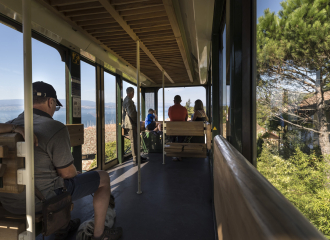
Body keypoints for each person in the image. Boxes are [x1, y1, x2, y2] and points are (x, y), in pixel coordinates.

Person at [0, 82, 122, 240]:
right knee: (102, 178)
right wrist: (74, 172)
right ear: (51, 102)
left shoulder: (9, 126)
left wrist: (15, 128)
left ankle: (63, 227)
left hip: (9, 202)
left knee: (54, 179)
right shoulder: (55, 128)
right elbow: (67, 174)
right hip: (40, 202)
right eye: (55, 106)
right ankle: (100, 233)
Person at [122, 87, 147, 164]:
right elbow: (131, 114)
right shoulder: (128, 101)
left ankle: (137, 157)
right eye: (133, 93)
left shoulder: (127, 101)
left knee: (135, 141)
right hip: (131, 124)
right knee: (134, 141)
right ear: (132, 93)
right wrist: (137, 117)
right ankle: (135, 158)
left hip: (131, 123)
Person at [168, 95, 188, 161]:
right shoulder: (184, 109)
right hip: (181, 129)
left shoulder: (170, 108)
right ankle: (179, 155)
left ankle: (174, 155)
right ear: (180, 101)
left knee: (172, 140)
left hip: (172, 129)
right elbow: (186, 119)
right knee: (180, 141)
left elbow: (170, 116)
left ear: (174, 101)